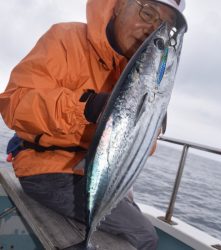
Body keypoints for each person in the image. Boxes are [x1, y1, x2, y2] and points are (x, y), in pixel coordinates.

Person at [0, 0, 187, 249]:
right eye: (148, 12)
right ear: (119, 5)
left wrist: (148, 124)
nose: (151, 28)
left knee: (129, 213)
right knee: (145, 237)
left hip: (90, 170)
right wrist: (86, 106)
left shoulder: (145, 74)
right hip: (43, 166)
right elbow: (15, 103)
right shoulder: (65, 39)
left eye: (163, 24)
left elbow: (144, 147)